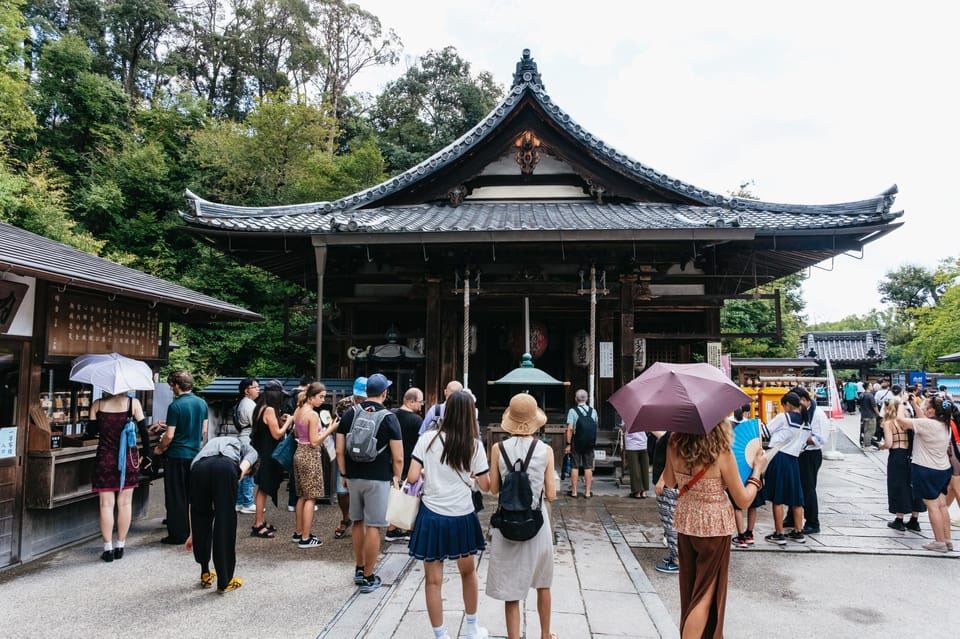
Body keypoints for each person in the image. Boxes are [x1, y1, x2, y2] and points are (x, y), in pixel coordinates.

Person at [659, 420, 768, 639]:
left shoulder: (674, 442)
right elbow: (743, 500)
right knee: (705, 595)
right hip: (714, 527)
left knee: (690, 590)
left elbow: (669, 482)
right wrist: (757, 471)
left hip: (686, 521)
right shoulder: (721, 452)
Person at [406, 390, 491, 639]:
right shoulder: (474, 445)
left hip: (432, 515)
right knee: (468, 572)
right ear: (469, 416)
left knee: (433, 581)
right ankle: (473, 628)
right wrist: (473, 478)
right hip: (463, 515)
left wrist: (426, 475)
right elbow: (486, 486)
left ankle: (440, 635)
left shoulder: (428, 439)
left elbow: (411, 477)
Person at [487, 393, 557, 639]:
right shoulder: (545, 450)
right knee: (543, 582)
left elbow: (494, 489)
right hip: (537, 522)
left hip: (507, 522)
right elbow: (551, 493)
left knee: (511, 589)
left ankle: (514, 636)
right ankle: (546, 634)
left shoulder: (498, 448)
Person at [336, 373, 404, 593]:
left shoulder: (350, 413)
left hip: (353, 476)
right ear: (384, 393)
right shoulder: (389, 417)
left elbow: (339, 449)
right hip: (378, 477)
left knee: (357, 521)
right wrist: (397, 477)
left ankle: (358, 567)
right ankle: (368, 576)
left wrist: (344, 474)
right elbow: (399, 456)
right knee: (374, 525)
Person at [187, 433, 258, 592]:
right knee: (224, 521)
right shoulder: (242, 445)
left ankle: (205, 573)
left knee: (201, 517)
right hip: (225, 467)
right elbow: (254, 454)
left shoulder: (211, 443)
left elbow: (192, 506)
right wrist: (239, 472)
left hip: (198, 468)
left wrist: (193, 534)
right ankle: (224, 581)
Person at [91, 391, 149, 561]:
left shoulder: (97, 405)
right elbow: (144, 434)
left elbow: (91, 433)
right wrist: (146, 455)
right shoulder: (133, 404)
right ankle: (120, 546)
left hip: (104, 459)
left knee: (105, 505)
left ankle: (107, 549)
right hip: (128, 459)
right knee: (124, 504)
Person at [154, 371, 207, 545]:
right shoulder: (202, 403)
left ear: (177, 385)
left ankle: (178, 534)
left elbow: (169, 435)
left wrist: (159, 449)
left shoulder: (175, 406)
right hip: (195, 454)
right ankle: (195, 530)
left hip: (176, 455)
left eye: (172, 385)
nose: (171, 388)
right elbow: (204, 432)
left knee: (176, 495)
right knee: (192, 495)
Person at [896, 396, 954, 552]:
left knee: (932, 506)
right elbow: (923, 419)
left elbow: (901, 420)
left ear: (931, 411)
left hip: (926, 470)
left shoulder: (927, 424)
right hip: (943, 469)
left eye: (925, 405)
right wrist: (914, 404)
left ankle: (939, 542)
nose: (922, 406)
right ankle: (947, 540)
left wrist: (901, 403)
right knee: (942, 506)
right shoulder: (944, 424)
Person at [292, 382, 339, 548]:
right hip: (310, 455)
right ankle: (306, 537)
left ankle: (298, 533)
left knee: (302, 495)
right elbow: (314, 442)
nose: (322, 400)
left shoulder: (298, 410)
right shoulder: (312, 415)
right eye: (320, 397)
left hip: (299, 452)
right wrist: (330, 429)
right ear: (311, 397)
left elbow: (297, 433)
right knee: (311, 497)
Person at [250, 380, 293, 539]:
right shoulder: (268, 410)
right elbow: (277, 434)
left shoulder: (260, 407)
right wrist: (288, 421)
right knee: (263, 489)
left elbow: (270, 429)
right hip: (268, 455)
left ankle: (260, 521)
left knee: (264, 488)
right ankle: (258, 524)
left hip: (263, 452)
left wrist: (281, 419)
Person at [763, 393, 807, 545]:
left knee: (778, 497)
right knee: (796, 497)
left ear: (788, 404)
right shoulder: (805, 422)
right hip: (794, 460)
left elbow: (765, 432)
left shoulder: (783, 417)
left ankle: (779, 533)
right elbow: (804, 446)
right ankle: (798, 531)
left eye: (784, 405)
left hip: (779, 458)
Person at [386, 387, 424, 543]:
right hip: (410, 461)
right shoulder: (416, 421)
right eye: (420, 402)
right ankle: (397, 528)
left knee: (397, 494)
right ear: (410, 401)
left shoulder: (391, 414)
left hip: (391, 459)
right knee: (410, 497)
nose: (421, 405)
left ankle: (393, 528)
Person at [786, 387, 827, 535]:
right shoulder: (801, 411)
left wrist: (801, 439)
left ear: (806, 400)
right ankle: (791, 517)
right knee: (794, 485)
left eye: (798, 402)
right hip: (798, 452)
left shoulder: (818, 415)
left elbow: (820, 439)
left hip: (810, 455)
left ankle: (812, 522)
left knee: (808, 488)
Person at [880, 397, 924, 531]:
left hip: (897, 456)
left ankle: (899, 519)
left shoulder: (889, 423)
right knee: (913, 485)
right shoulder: (907, 422)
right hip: (911, 455)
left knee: (899, 486)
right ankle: (914, 520)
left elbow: (888, 444)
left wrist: (880, 446)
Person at [730, 404, 764, 548]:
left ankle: (741, 536)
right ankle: (750, 534)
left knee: (737, 506)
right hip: (753, 468)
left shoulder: (728, 425)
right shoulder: (754, 426)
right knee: (753, 505)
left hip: (737, 470)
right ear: (746, 412)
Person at [332, 387, 363, 540]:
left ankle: (360, 521)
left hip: (364, 452)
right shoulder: (344, 404)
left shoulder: (374, 405)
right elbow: (336, 423)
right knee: (342, 490)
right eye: (359, 397)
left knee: (360, 488)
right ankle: (346, 518)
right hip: (344, 448)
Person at [284, 375, 315, 513]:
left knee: (294, 471)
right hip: (303, 438)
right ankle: (305, 502)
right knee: (306, 472)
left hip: (291, 434)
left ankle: (292, 502)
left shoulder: (289, 394)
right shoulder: (302, 397)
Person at [652, 430, 679, 574]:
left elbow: (674, 459)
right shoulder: (671, 432)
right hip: (671, 484)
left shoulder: (675, 433)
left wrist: (662, 480)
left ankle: (677, 560)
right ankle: (675, 555)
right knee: (670, 521)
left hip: (669, 485)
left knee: (671, 522)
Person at [564, 389, 598, 498]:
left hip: (577, 442)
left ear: (575, 399)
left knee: (575, 466)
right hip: (589, 443)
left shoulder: (572, 411)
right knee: (588, 467)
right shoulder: (593, 411)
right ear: (587, 399)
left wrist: (568, 443)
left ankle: (574, 492)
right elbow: (595, 425)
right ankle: (587, 492)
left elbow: (570, 429)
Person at [234, 377, 259, 514]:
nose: (258, 389)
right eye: (254, 387)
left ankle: (239, 502)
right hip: (249, 439)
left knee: (243, 470)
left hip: (243, 438)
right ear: (246, 390)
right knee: (250, 470)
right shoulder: (249, 404)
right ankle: (247, 502)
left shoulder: (242, 403)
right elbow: (256, 425)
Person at [624, 428, 649, 498]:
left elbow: (624, 427)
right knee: (644, 468)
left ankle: (637, 492)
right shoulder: (644, 417)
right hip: (643, 443)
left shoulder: (628, 417)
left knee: (634, 469)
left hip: (632, 444)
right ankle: (644, 491)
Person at [859, 382, 881, 449]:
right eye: (871, 385)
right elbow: (874, 406)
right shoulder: (870, 395)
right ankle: (867, 445)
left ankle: (864, 443)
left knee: (866, 430)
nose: (872, 387)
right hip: (870, 415)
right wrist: (878, 414)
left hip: (863, 415)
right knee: (870, 431)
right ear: (868, 386)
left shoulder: (862, 395)